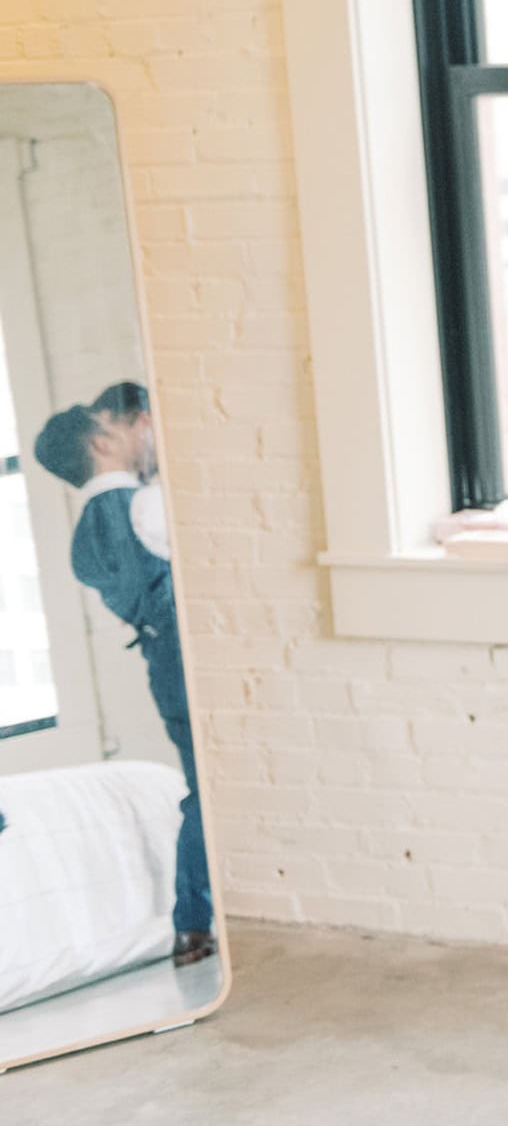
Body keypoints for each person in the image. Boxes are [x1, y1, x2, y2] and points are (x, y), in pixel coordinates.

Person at [32, 400, 214, 966]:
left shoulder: (82, 543)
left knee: (202, 791)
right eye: (117, 426)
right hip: (200, 660)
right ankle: (197, 919)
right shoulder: (149, 507)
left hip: (162, 668)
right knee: (215, 791)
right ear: (102, 444)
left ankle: (193, 925)